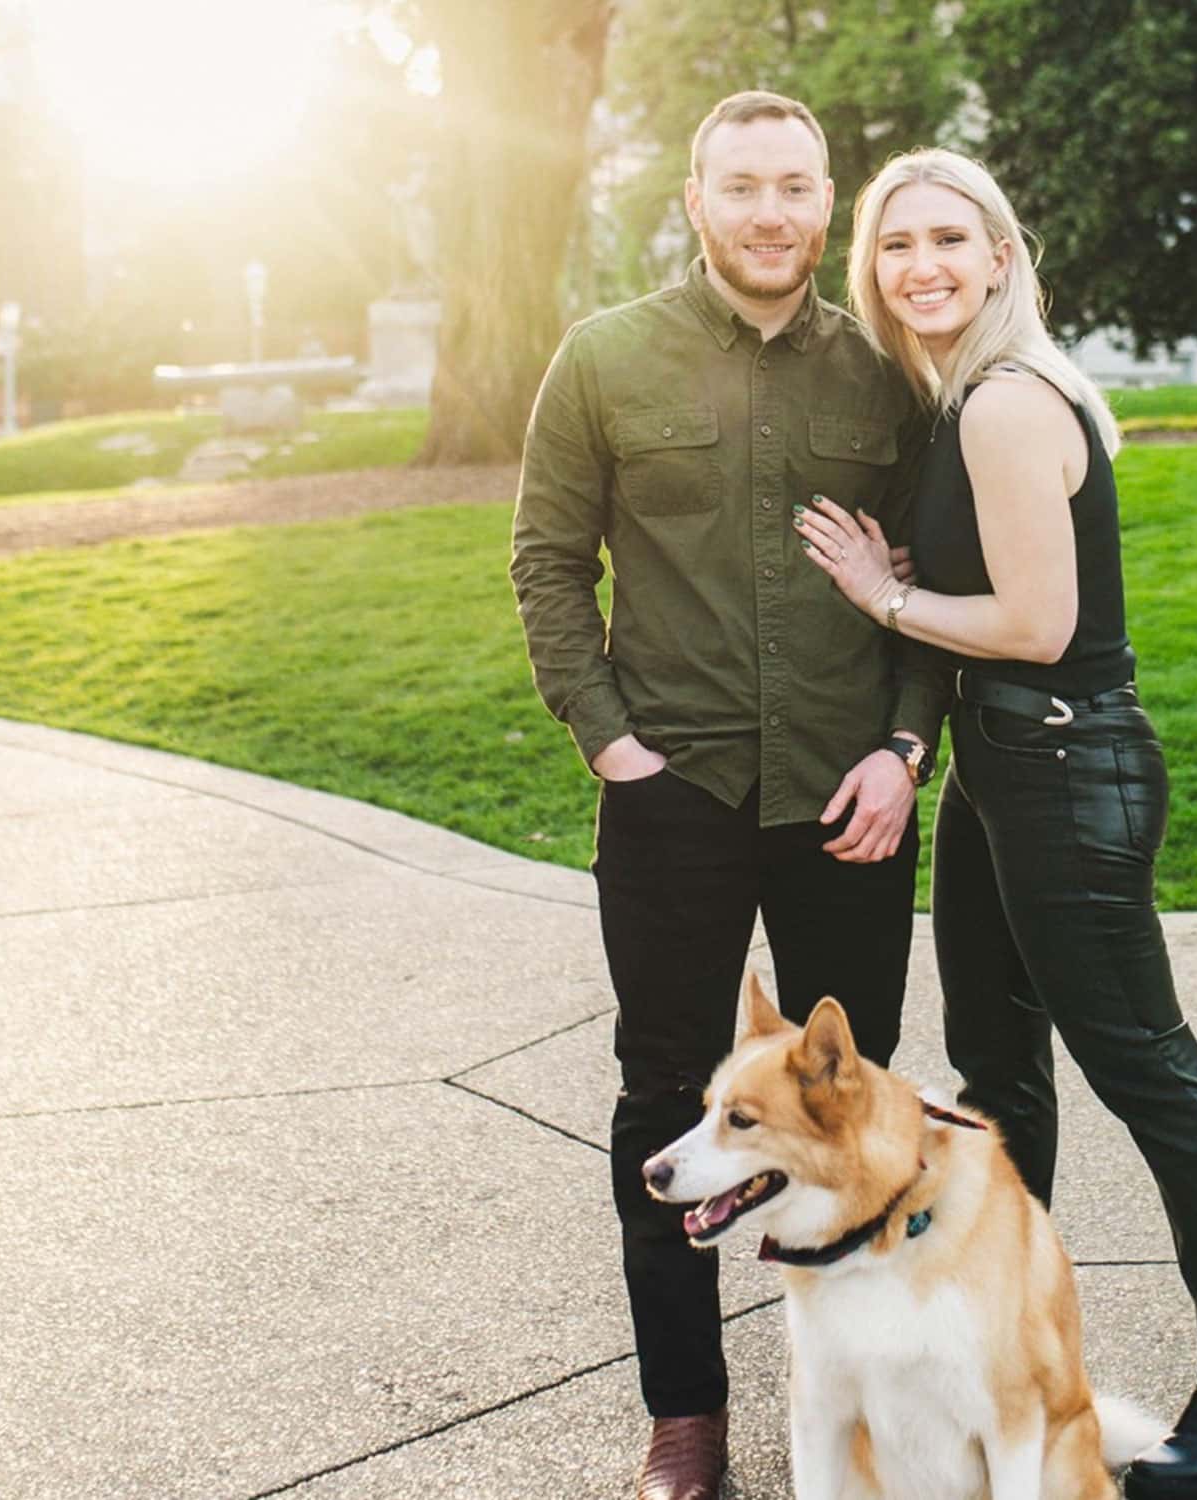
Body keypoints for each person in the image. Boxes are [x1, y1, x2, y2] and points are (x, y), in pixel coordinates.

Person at [794, 147, 1197, 1500]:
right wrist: (921, 576)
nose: (923, 267)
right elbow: (1003, 588)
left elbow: (1038, 626)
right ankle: (1006, 1361)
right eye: (897, 246)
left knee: (1146, 1071)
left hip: (1070, 776)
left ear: (1004, 255)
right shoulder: (970, 400)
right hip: (1004, 777)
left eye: (952, 238)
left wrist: (880, 595)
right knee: (1001, 1078)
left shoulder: (1010, 404)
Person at [509, 93, 947, 1500]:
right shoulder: (603, 361)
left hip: (851, 797)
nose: (771, 212)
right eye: (743, 185)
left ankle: (860, 1399)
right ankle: (685, 1418)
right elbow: (546, 560)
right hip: (673, 790)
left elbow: (936, 588)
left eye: (797, 187)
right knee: (664, 1097)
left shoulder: (891, 376)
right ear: (696, 200)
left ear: (830, 205)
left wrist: (907, 747)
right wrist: (607, 741)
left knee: (853, 1107)